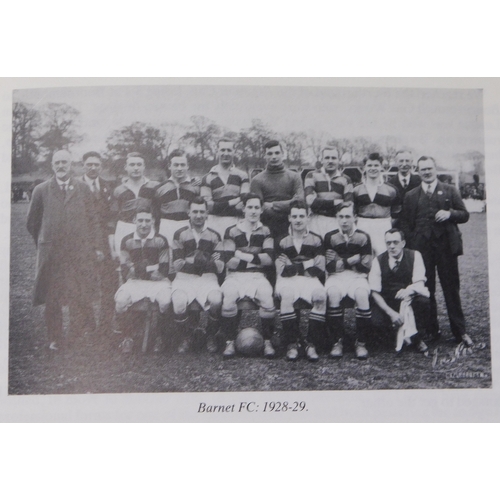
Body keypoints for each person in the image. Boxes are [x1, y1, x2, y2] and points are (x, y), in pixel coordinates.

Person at [27, 150, 103, 350]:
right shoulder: (41, 190)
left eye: (65, 162)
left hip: (77, 253)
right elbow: (32, 223)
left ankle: (76, 335)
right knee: (53, 297)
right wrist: (44, 243)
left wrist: (93, 246)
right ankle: (55, 338)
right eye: (57, 162)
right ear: (52, 165)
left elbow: (93, 219)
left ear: (72, 165)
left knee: (78, 293)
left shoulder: (83, 188)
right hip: (52, 254)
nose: (61, 166)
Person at [399, 156, 472, 346]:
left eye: (429, 168)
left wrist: (450, 214)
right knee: (426, 289)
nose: (427, 172)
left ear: (435, 169)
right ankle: (432, 329)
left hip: (446, 247)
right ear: (418, 171)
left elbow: (464, 215)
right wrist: (414, 240)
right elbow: (405, 223)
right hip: (423, 250)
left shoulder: (450, 190)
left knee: (451, 289)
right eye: (422, 169)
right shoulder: (411, 195)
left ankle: (460, 331)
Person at [219, 193, 277, 359]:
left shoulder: (266, 231)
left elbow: (268, 260)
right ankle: (229, 341)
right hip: (235, 276)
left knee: (267, 298)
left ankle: (267, 341)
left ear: (261, 210)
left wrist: (242, 255)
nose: (253, 211)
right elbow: (230, 262)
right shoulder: (231, 231)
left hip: (258, 276)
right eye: (250, 207)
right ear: (243, 209)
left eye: (256, 207)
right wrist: (255, 259)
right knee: (229, 298)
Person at [170, 198, 224, 353]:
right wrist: (205, 259)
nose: (198, 215)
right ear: (188, 213)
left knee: (216, 300)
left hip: (208, 278)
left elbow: (219, 266)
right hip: (184, 279)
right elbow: (178, 264)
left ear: (207, 213)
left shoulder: (215, 235)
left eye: (202, 211)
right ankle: (186, 337)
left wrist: (191, 260)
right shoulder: (179, 233)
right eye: (195, 211)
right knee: (179, 303)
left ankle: (210, 335)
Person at [114, 208, 171, 353]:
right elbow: (126, 271)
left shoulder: (161, 240)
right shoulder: (126, 241)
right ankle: (127, 337)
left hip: (158, 283)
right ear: (134, 221)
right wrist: (150, 268)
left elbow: (163, 270)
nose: (144, 224)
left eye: (147, 220)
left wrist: (140, 269)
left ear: (153, 221)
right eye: (140, 220)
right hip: (135, 283)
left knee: (165, 301)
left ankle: (160, 337)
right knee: (120, 302)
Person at [275, 200, 326, 361]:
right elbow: (283, 271)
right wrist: (308, 263)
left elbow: (318, 269)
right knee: (288, 295)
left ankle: (311, 343)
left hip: (310, 280)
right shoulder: (280, 239)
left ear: (308, 217)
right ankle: (292, 344)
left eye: (301, 216)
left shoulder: (317, 239)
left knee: (320, 296)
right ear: (289, 218)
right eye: (294, 216)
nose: (298, 220)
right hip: (286, 281)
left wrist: (294, 264)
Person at [324, 202, 373, 360]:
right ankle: (337, 342)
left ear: (355, 218)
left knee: (362, 295)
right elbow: (330, 266)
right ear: (336, 218)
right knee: (333, 293)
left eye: (347, 216)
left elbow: (365, 266)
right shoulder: (330, 236)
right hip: (336, 277)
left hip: (357, 277)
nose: (344, 220)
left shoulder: (364, 236)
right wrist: (351, 261)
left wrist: (340, 260)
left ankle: (361, 343)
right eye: (341, 217)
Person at [368, 229, 430, 353]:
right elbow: (374, 292)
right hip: (388, 301)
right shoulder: (378, 261)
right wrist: (391, 313)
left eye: (395, 242)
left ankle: (416, 338)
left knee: (424, 302)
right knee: (376, 323)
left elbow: (420, 282)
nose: (391, 246)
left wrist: (409, 290)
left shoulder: (414, 255)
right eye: (388, 243)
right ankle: (394, 336)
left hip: (409, 300)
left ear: (403, 243)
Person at [79, 151, 117, 335]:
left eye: (96, 165)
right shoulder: (75, 187)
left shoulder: (108, 187)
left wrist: (106, 244)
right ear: (83, 166)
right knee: (84, 284)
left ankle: (105, 325)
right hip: (82, 243)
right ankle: (87, 325)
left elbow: (112, 216)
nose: (93, 168)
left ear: (101, 167)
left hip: (105, 243)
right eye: (89, 164)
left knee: (108, 284)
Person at [110, 152, 159, 261]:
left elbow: (159, 212)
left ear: (144, 167)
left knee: (149, 264)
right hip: (125, 228)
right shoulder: (119, 190)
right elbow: (112, 218)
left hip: (147, 227)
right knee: (125, 265)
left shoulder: (154, 186)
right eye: (132, 165)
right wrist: (112, 245)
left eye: (139, 164)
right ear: (126, 167)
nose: (136, 168)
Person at [250, 140, 304, 238]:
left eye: (277, 153)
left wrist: (273, 205)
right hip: (266, 229)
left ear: (283, 154)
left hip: (292, 228)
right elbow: (259, 208)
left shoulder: (295, 177)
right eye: (269, 153)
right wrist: (288, 204)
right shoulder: (257, 180)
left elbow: (299, 202)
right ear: (265, 156)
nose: (273, 157)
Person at [353, 152, 401, 255]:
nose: (373, 168)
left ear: (381, 167)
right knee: (364, 256)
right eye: (369, 165)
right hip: (363, 224)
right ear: (364, 168)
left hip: (383, 225)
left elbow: (397, 211)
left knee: (383, 256)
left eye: (376, 165)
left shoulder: (391, 189)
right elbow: (353, 210)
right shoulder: (357, 189)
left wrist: (387, 223)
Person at [201, 138, 249, 238]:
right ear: (217, 151)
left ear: (234, 152)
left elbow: (244, 202)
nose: (226, 153)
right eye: (223, 150)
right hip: (214, 223)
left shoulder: (242, 175)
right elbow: (208, 206)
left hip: (236, 222)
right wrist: (234, 202)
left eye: (229, 150)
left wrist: (218, 205)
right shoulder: (207, 178)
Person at [153, 149, 201, 246]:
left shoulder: (195, 186)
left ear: (187, 166)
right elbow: (155, 214)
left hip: (188, 226)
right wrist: (156, 234)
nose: (179, 168)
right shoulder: (159, 188)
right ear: (169, 166)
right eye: (176, 165)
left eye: (183, 165)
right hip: (166, 227)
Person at [305, 147, 353, 237]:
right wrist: (335, 202)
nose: (330, 161)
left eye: (334, 158)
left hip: (336, 221)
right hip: (315, 220)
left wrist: (319, 202)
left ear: (339, 160)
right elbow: (310, 201)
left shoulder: (346, 179)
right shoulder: (312, 175)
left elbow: (348, 205)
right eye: (327, 158)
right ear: (321, 160)